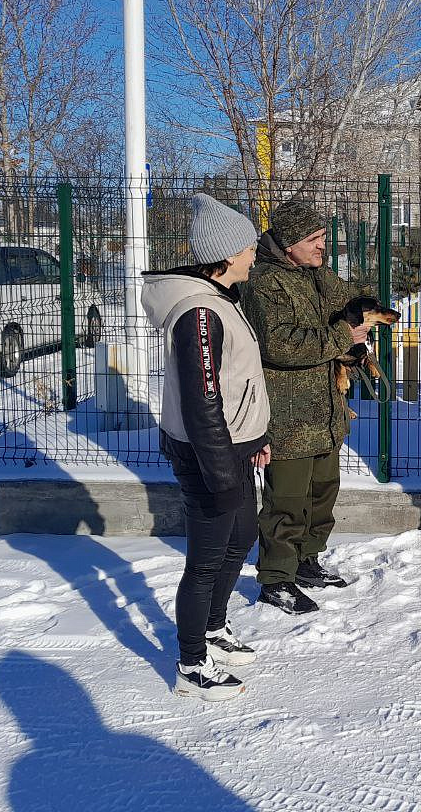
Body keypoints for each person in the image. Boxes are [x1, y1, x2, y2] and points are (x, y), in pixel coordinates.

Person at [141, 193, 270, 700]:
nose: (254, 255)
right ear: (227, 254)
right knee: (206, 561)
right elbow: (202, 401)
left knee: (241, 537)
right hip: (209, 455)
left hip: (234, 449)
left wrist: (255, 439)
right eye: (249, 248)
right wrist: (221, 472)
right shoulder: (198, 312)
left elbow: (238, 380)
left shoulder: (218, 302)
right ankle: (191, 663)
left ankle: (214, 629)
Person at [242, 200, 372, 615]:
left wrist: (366, 319)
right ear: (289, 243)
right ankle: (276, 578)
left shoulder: (318, 275)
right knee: (286, 500)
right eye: (314, 239)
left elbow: (351, 303)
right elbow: (280, 345)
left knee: (322, 493)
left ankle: (307, 561)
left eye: (322, 238)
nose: (322, 246)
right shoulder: (265, 283)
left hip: (326, 410)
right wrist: (345, 336)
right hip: (288, 414)